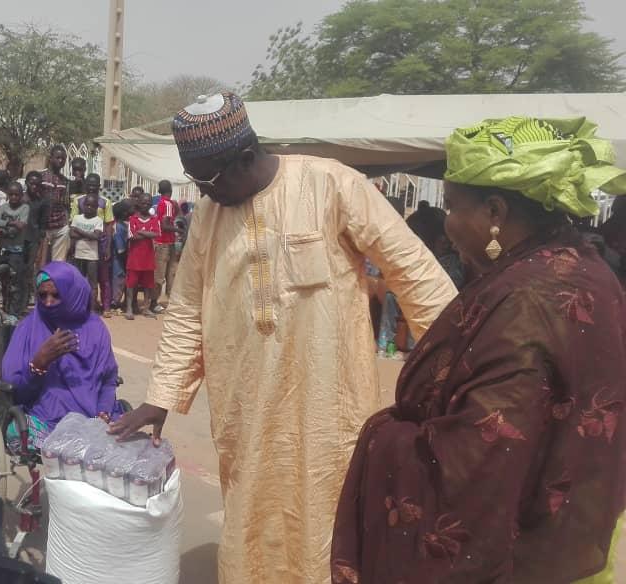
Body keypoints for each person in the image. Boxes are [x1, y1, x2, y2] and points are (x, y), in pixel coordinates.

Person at [109, 93, 456, 583]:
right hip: (246, 410)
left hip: (330, 410)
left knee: (331, 518)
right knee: (252, 517)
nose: (204, 192)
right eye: (195, 180)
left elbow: (414, 272)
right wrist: (161, 398)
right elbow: (187, 309)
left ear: (246, 157)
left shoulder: (331, 183)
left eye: (208, 179)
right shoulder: (208, 217)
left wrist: (457, 369)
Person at [333, 116, 626, 584]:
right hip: (572, 535)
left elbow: (479, 459)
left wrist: (382, 438)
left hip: (518, 559)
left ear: (494, 212)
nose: (446, 227)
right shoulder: (585, 270)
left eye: (451, 207)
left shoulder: (526, 304)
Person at [0, 261, 125, 449]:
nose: (48, 302)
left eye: (56, 295)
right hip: (48, 419)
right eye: (42, 295)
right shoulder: (28, 328)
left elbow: (108, 380)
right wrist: (39, 363)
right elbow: (14, 392)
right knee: (19, 435)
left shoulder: (96, 329)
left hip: (93, 418)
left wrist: (103, 412)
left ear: (73, 294)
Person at [70, 173, 115, 310]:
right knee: (80, 277)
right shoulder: (78, 200)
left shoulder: (105, 202)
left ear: (99, 187)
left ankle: (103, 306)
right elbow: (73, 225)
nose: (91, 188)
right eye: (89, 185)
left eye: (94, 186)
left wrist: (107, 247)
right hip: (80, 247)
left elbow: (108, 226)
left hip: (99, 244)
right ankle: (80, 305)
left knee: (102, 276)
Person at [0, 181, 30, 315]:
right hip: (4, 248)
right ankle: (5, 307)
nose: (14, 197)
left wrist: (4, 226)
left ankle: (15, 310)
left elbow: (21, 226)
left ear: (21, 195)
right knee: (3, 279)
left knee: (15, 280)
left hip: (17, 250)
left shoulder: (25, 208)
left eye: (17, 195)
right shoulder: (3, 207)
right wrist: (12, 222)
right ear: (8, 195)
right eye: (11, 194)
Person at [124, 191, 160, 320]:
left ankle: (146, 308)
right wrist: (147, 233)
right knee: (130, 285)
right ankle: (129, 308)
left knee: (148, 285)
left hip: (148, 258)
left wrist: (141, 232)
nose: (146, 205)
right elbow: (132, 236)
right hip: (134, 258)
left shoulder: (154, 219)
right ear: (138, 203)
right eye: (144, 202)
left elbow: (157, 234)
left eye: (149, 203)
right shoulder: (132, 219)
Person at [70, 195, 104, 311]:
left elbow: (96, 236)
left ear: (96, 208)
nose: (89, 207)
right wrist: (89, 234)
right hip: (78, 254)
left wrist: (79, 231)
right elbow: (71, 234)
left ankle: (92, 308)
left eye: (92, 206)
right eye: (87, 205)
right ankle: (78, 306)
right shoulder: (77, 218)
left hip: (92, 255)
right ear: (83, 206)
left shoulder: (98, 220)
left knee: (92, 282)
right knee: (78, 281)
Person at [153, 179, 181, 312]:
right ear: (170, 189)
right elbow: (165, 225)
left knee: (166, 273)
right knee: (163, 274)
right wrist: (179, 230)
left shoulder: (160, 203)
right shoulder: (168, 204)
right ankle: (154, 302)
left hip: (163, 243)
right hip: (164, 243)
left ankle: (161, 301)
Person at [42, 144, 72, 262]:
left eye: (63, 159)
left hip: (60, 225)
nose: (61, 161)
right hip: (43, 225)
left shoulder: (65, 181)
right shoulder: (41, 177)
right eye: (58, 157)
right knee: (40, 259)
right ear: (50, 158)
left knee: (58, 260)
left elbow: (66, 204)